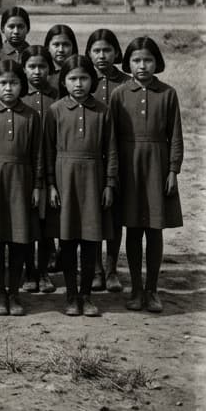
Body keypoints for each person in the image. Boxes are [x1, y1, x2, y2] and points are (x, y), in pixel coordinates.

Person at [111, 37, 183, 314]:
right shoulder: (119, 94)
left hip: (157, 166)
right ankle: (136, 289)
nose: (142, 66)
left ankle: (152, 290)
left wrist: (173, 170)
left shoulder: (168, 93)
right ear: (128, 63)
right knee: (133, 228)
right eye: (136, 60)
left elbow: (175, 136)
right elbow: (112, 138)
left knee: (154, 228)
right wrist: (114, 174)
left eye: (148, 60)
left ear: (157, 63)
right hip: (129, 168)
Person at [43, 54, 117, 318]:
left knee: (90, 241)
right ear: (63, 81)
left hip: (93, 181)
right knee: (68, 239)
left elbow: (111, 150)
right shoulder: (55, 110)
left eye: (84, 78)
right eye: (72, 78)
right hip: (65, 181)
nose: (78, 84)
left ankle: (87, 295)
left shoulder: (103, 111)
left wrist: (109, 184)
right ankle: (71, 295)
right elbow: (48, 152)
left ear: (92, 80)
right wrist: (51, 185)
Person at [0, 60, 42, 316]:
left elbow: (38, 155)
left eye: (14, 83)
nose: (8, 88)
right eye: (3, 83)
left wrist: (37, 186)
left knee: (19, 240)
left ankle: (14, 293)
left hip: (22, 182)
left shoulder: (31, 115)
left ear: (22, 85)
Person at [86, 28, 127, 292]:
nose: (101, 56)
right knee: (92, 213)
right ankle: (96, 270)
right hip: (89, 157)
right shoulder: (82, 80)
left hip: (118, 156)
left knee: (114, 214)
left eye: (107, 50)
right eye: (96, 51)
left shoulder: (126, 82)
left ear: (116, 52)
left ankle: (112, 270)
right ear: (88, 54)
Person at [19, 45, 58, 294]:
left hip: (52, 168)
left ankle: (43, 271)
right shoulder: (17, 97)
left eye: (42, 66)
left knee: (45, 224)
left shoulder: (58, 97)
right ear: (23, 69)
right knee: (25, 222)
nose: (36, 71)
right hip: (25, 168)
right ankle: (28, 271)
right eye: (31, 67)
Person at [44, 24, 79, 95]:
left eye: (66, 45)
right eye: (56, 45)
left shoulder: (80, 73)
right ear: (48, 47)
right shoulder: (43, 75)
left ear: (73, 47)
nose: (61, 50)